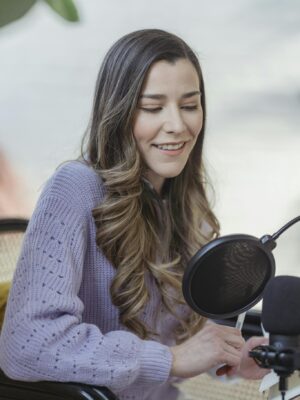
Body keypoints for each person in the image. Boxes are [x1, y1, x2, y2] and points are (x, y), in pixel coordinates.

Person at [0, 29, 267, 400]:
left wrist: (230, 356)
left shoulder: (186, 205)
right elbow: (26, 346)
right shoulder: (75, 188)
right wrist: (170, 359)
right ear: (120, 111)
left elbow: (176, 341)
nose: (177, 125)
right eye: (153, 107)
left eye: (190, 105)